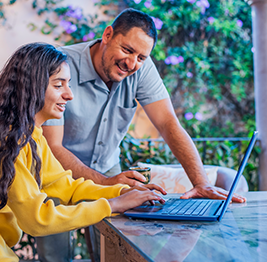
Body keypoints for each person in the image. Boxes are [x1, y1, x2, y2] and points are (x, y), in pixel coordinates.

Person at [0, 43, 167, 262]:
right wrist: (112, 205)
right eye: (58, 85)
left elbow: (66, 185)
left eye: (68, 84)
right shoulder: (9, 141)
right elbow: (38, 218)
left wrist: (124, 192)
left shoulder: (30, 135)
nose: (69, 94)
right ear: (32, 86)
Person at [42, 8, 247, 262]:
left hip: (108, 169)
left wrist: (202, 183)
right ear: (108, 35)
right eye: (127, 50)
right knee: (55, 256)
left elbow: (169, 124)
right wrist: (107, 184)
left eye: (140, 57)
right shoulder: (63, 66)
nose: (132, 64)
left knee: (111, 252)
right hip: (57, 173)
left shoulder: (141, 68)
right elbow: (53, 147)